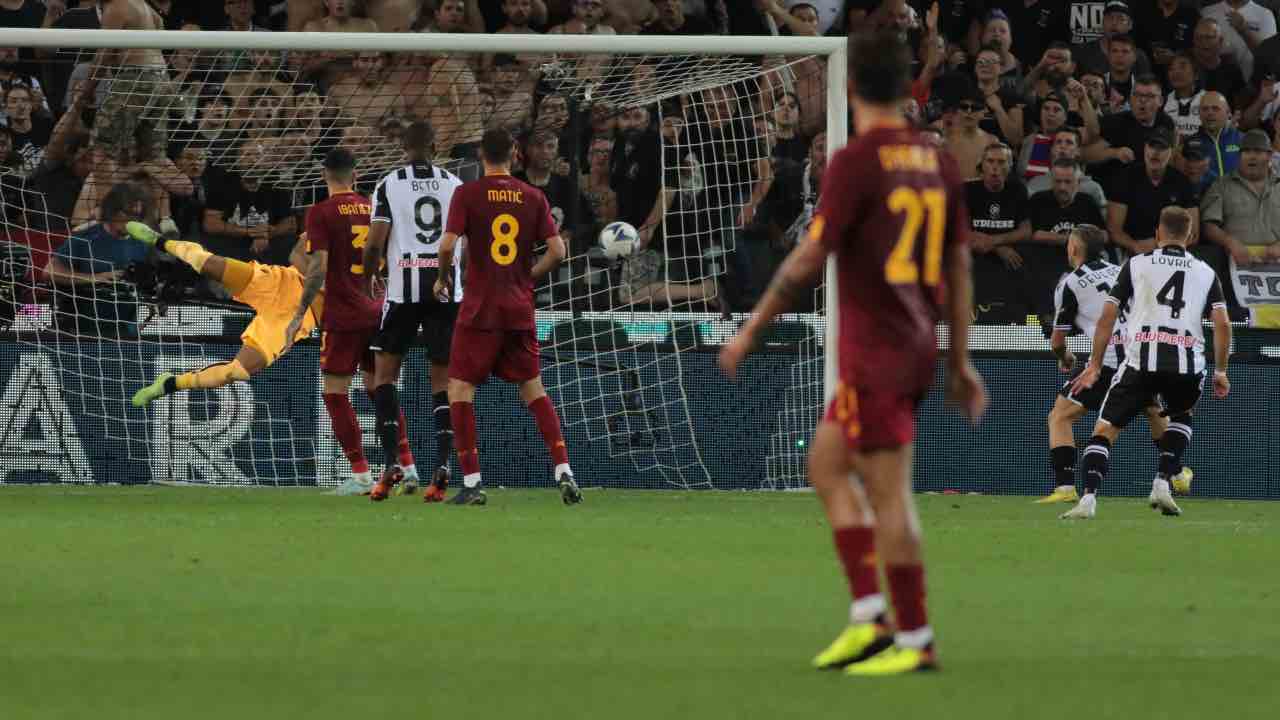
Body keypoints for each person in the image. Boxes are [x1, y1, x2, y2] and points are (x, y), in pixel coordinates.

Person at [719, 29, 986, 676]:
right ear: (907, 85)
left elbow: (811, 255)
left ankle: (915, 638)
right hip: (916, 342)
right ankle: (869, 617)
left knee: (888, 493)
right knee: (827, 466)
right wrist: (958, 360)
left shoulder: (858, 160)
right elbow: (957, 266)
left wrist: (752, 328)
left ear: (851, 89)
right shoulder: (937, 160)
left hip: (877, 350)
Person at [432, 127, 584, 507]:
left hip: (481, 308)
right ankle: (564, 469)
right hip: (518, 306)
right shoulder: (532, 196)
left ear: (482, 155)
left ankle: (471, 482)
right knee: (533, 387)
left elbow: (448, 243)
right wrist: (528, 276)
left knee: (460, 389)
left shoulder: (467, 193)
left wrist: (441, 278)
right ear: (515, 153)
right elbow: (558, 250)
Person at [1061, 207, 1232, 519]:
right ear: (1191, 237)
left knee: (1104, 430)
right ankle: (1162, 481)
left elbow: (1108, 316)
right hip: (1187, 361)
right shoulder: (1207, 272)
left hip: (1140, 358)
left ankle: (1087, 499)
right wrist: (1220, 370)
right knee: (1181, 416)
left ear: (1157, 234)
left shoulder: (1136, 264)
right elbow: (1222, 322)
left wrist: (1095, 364)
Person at [1038, 223, 1190, 505]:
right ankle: (1178, 472)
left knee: (1060, 416)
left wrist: (1066, 358)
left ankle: (1065, 486)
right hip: (1143, 353)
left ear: (1072, 249)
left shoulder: (1069, 284)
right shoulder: (1125, 268)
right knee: (1151, 408)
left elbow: (1057, 341)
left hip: (1108, 364)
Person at [359, 122, 465, 502]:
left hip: (403, 290)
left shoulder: (389, 183)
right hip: (444, 290)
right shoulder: (455, 183)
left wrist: (367, 277)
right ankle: (442, 467)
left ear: (403, 147)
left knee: (385, 376)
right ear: (435, 146)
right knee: (443, 382)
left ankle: (390, 463)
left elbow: (374, 243)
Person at [44, 181, 152, 340]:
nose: (133, 221)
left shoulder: (142, 242)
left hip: (125, 332)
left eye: (137, 216)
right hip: (82, 329)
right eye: (128, 214)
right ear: (112, 210)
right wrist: (95, 278)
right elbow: (49, 272)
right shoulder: (85, 237)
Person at [1106, 127, 1199, 257]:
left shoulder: (1182, 183)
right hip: (1133, 252)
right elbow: (1114, 230)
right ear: (1145, 148)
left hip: (1172, 253)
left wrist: (1161, 246)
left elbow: (1193, 233)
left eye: (1162, 148)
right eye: (1152, 146)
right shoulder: (1125, 178)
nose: (1155, 152)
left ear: (1172, 152)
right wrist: (1135, 246)